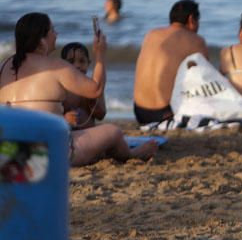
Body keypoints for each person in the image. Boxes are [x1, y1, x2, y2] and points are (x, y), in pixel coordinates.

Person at [0, 13, 156, 166]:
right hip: (48, 152)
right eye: (52, 30)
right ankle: (132, 154)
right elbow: (95, 90)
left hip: (9, 150)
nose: (56, 34)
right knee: (113, 131)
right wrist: (100, 55)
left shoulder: (4, 66)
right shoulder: (55, 66)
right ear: (42, 41)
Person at [132, 0, 208, 124]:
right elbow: (205, 78)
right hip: (166, 114)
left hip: (139, 111)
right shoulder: (196, 40)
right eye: (198, 20)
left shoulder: (151, 34)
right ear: (191, 19)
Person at [61, 42, 107, 130]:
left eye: (82, 61)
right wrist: (64, 118)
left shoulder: (93, 86)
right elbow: (50, 114)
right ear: (62, 64)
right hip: (67, 133)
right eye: (71, 62)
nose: (77, 65)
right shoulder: (61, 88)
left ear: (88, 63)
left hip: (89, 133)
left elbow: (101, 115)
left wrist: (93, 103)